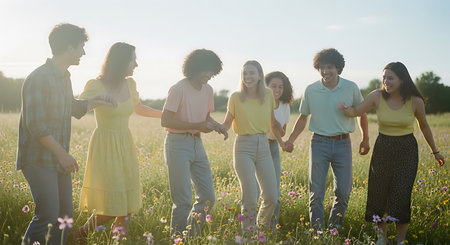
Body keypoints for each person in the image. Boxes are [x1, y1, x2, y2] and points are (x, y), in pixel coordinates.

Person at [16, 23, 116, 245]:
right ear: (69, 47)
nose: (83, 52)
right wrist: (63, 154)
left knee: (66, 218)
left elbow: (73, 107)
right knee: (48, 216)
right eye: (81, 46)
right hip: (38, 158)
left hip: (58, 158)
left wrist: (96, 100)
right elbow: (36, 125)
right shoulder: (39, 78)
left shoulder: (64, 77)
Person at [338, 62, 445, 244]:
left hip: (407, 150)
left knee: (401, 194)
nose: (386, 81)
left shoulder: (415, 101)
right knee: (379, 194)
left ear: (402, 79)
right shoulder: (377, 96)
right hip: (383, 148)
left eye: (390, 78)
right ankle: (382, 239)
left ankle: (400, 240)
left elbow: (425, 126)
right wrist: (345, 108)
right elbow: (357, 111)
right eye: (384, 78)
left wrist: (435, 151)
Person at [69, 42, 162, 243]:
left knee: (127, 204)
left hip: (125, 145)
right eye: (133, 59)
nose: (136, 64)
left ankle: (116, 241)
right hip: (105, 147)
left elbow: (138, 108)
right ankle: (77, 234)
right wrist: (97, 99)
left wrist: (165, 116)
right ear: (121, 62)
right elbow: (76, 109)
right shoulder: (95, 84)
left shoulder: (130, 84)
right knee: (113, 203)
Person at [284, 48, 370, 230]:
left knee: (344, 191)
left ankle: (334, 228)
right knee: (316, 192)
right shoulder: (311, 89)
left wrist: (365, 138)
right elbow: (302, 118)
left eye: (329, 67)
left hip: (343, 143)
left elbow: (361, 113)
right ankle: (317, 232)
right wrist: (290, 140)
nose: (325, 71)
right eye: (321, 68)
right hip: (319, 143)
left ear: (338, 68)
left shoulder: (351, 87)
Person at [161, 49, 227, 237]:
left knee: (207, 197)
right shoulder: (179, 88)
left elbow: (205, 116)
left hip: (197, 145)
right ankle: (177, 239)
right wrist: (197, 125)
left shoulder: (208, 90)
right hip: (177, 144)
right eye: (205, 70)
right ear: (194, 68)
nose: (208, 75)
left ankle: (189, 236)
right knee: (182, 200)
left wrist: (217, 125)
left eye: (212, 72)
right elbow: (165, 121)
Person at [221, 60, 285, 231]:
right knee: (249, 196)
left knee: (272, 196)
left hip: (263, 146)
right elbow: (227, 122)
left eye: (251, 73)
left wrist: (281, 138)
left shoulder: (268, 95)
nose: (248, 76)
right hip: (243, 147)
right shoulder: (236, 97)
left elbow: (272, 121)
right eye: (245, 73)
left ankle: (262, 229)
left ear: (259, 75)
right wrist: (220, 128)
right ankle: (249, 234)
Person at [255, 71, 293, 228]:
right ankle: (255, 227)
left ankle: (271, 227)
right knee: (261, 191)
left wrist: (280, 134)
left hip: (273, 146)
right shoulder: (260, 102)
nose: (277, 90)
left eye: (280, 87)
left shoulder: (285, 106)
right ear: (265, 87)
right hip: (258, 144)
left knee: (275, 191)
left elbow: (282, 130)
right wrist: (282, 141)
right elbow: (271, 125)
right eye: (273, 86)